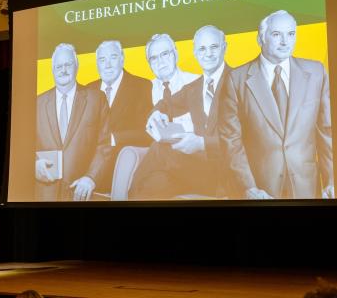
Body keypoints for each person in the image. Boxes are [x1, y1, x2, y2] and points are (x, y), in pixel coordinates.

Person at [218, 10, 334, 199]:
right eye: (276, 34)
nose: (285, 42)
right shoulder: (236, 79)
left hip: (307, 187)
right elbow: (231, 141)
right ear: (260, 38)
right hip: (260, 190)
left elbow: (327, 132)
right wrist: (248, 186)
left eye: (291, 34)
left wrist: (332, 180)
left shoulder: (316, 72)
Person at [129, 26, 230, 199]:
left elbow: (251, 138)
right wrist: (156, 112)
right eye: (202, 49)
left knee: (160, 149)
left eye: (214, 47)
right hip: (193, 167)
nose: (208, 54)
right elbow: (167, 103)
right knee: (156, 183)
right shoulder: (195, 87)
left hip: (225, 169)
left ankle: (124, 197)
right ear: (195, 53)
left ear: (224, 47)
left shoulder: (242, 80)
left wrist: (202, 143)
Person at [35, 43, 111, 201]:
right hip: (44, 196)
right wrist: (34, 164)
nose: (63, 70)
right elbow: (25, 146)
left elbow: (104, 145)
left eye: (68, 64)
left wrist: (91, 177)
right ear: (52, 70)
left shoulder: (96, 99)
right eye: (58, 66)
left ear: (76, 66)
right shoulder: (37, 103)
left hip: (81, 194)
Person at [87, 40, 153, 190]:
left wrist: (113, 138)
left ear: (122, 58)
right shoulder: (88, 90)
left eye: (113, 57)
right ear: (97, 63)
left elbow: (148, 132)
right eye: (102, 60)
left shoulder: (142, 86)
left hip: (119, 168)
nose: (107, 64)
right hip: (86, 167)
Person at [147, 33, 199, 106]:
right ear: (149, 64)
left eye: (165, 54)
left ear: (176, 55)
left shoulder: (197, 82)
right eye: (154, 58)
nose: (160, 61)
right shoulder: (145, 92)